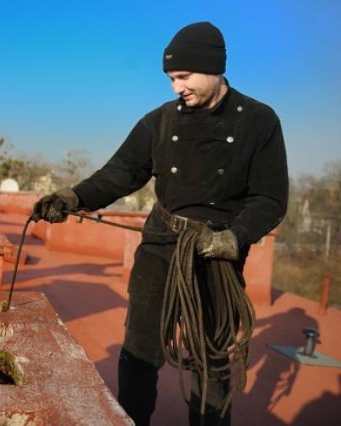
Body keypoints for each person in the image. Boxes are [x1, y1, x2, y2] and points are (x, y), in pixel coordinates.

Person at [31, 22, 288, 426]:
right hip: (159, 247)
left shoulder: (259, 121)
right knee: (137, 354)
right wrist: (73, 197)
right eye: (170, 78)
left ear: (214, 67)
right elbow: (119, 172)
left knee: (212, 359)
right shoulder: (160, 121)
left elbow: (270, 198)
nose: (176, 88)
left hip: (216, 256)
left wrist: (235, 238)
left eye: (183, 77)